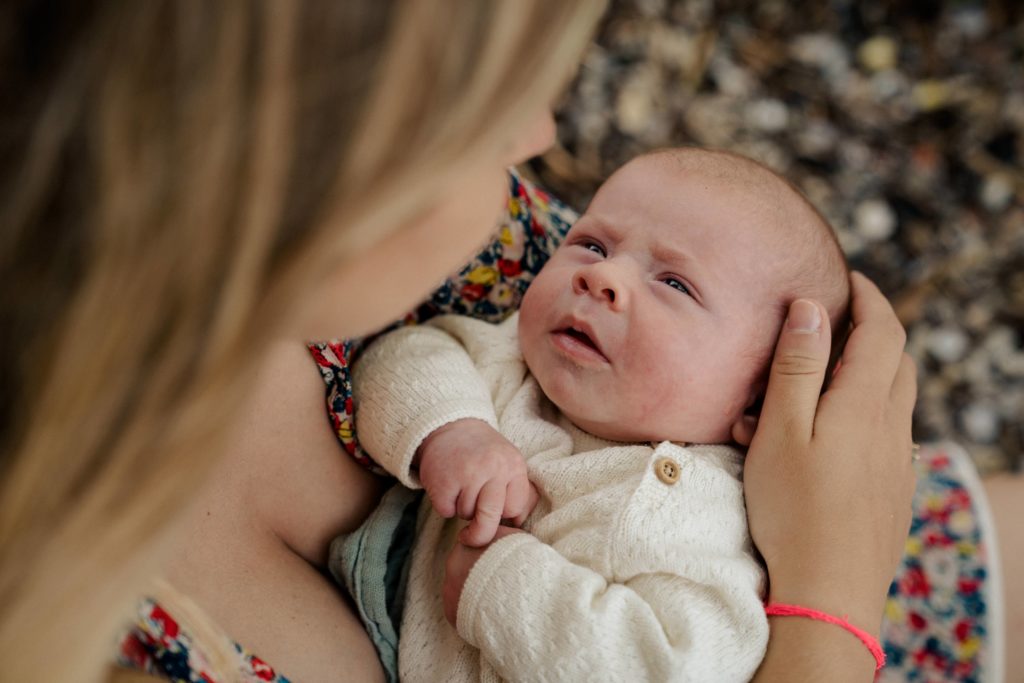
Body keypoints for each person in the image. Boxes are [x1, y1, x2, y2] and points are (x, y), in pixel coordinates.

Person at [1, 2, 1012, 682]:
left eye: (668, 279)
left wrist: (842, 518)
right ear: (302, 162)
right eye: (482, 114)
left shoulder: (444, 273)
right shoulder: (88, 630)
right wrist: (831, 597)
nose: (537, 132)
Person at [342, 148, 850, 681]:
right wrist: (450, 430)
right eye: (591, 244)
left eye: (674, 284)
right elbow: (398, 357)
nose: (602, 274)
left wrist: (505, 586)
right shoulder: (510, 360)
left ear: (756, 403)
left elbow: (675, 668)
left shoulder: (706, 518)